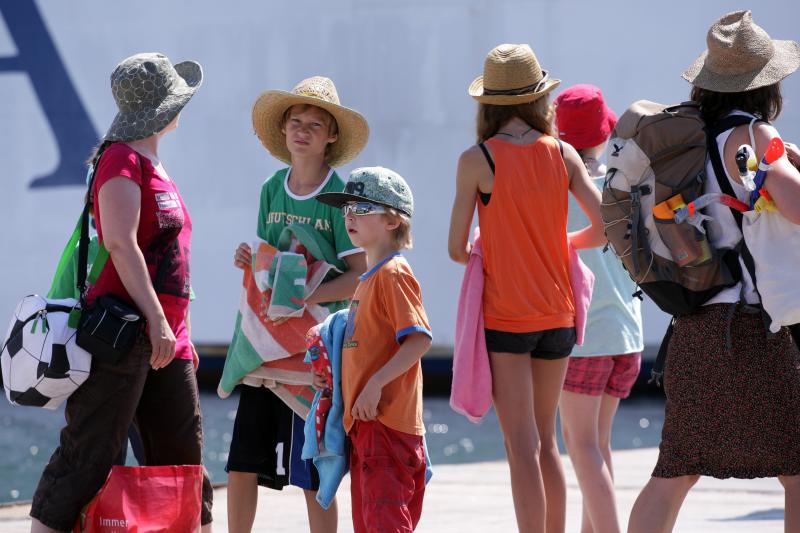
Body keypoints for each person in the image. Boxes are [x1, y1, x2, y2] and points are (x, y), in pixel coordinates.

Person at [628, 11, 800, 533]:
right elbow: (794, 204)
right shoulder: (752, 134)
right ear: (765, 85)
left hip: (698, 323)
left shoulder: (688, 137)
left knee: (676, 468)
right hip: (753, 328)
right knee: (797, 468)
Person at [29, 52, 212, 532]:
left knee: (184, 459)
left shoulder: (150, 161)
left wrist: (177, 333)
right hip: (124, 334)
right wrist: (155, 320)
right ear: (165, 106)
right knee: (89, 454)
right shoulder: (121, 159)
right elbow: (119, 241)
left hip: (167, 338)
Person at [448, 44, 606, 533]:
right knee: (547, 442)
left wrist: (489, 242)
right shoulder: (563, 153)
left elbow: (456, 249)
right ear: (540, 99)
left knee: (521, 448)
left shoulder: (478, 160)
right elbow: (604, 228)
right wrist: (560, 241)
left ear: (489, 103)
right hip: (559, 316)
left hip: (507, 318)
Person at [228, 76, 368, 533]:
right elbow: (270, 263)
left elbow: (359, 275)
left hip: (313, 356)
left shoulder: (338, 197)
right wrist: (249, 258)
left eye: (314, 123)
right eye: (295, 121)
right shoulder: (272, 186)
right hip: (264, 347)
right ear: (283, 131)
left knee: (314, 468)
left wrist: (307, 291)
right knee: (241, 462)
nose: (302, 130)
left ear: (331, 136)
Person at [315, 166, 432, 532]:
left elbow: (419, 338)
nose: (349, 216)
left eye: (362, 208)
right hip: (366, 424)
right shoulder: (368, 279)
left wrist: (375, 383)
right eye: (347, 207)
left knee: (384, 522)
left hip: (387, 424)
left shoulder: (393, 274)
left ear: (393, 221)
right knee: (368, 522)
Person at [554, 84, 644, 533]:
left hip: (587, 338)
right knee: (599, 446)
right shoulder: (618, 179)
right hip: (628, 335)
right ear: (602, 134)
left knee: (581, 446)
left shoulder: (560, 187)